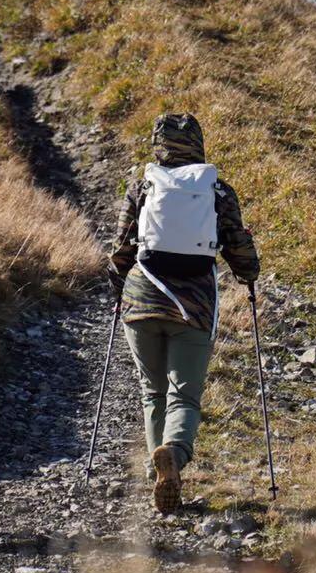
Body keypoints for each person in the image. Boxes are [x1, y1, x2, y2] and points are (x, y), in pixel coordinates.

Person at [108, 113, 260, 513]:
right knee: (184, 396)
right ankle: (173, 456)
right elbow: (238, 248)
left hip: (142, 298)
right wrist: (249, 274)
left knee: (152, 391)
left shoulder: (142, 186)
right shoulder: (217, 191)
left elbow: (121, 247)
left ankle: (156, 469)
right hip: (193, 305)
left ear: (157, 145)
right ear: (198, 143)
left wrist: (118, 287)